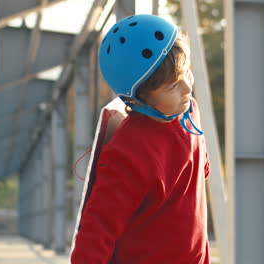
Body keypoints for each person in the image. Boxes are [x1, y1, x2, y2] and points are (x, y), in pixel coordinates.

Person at [70, 14, 211, 264]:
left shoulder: (189, 110)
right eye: (173, 86)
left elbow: (201, 167)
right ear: (138, 99)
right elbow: (98, 228)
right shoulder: (128, 151)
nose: (187, 89)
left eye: (186, 72)